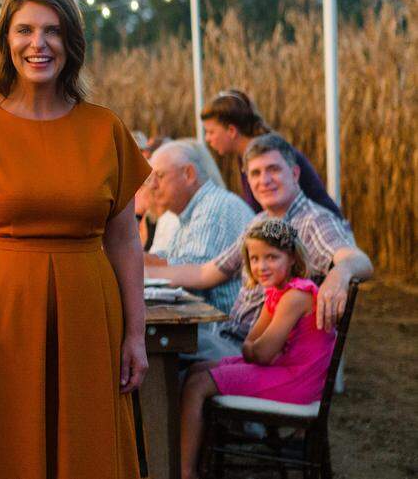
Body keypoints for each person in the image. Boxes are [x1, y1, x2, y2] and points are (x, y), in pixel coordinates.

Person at [0, 0, 151, 477]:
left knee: (84, 446)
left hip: (87, 315)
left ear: (71, 42)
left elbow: (124, 238)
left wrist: (136, 333)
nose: (38, 44)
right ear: (6, 39)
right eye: (24, 30)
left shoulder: (104, 128)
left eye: (53, 31)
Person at [146, 133, 372, 360]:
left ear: (294, 174)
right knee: (161, 344)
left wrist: (339, 275)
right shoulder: (260, 222)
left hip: (262, 356)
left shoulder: (313, 220)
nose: (264, 180)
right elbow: (206, 272)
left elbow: (358, 259)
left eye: (273, 169)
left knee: (161, 347)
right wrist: (142, 273)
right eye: (255, 173)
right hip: (232, 340)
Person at [178, 219, 337, 479]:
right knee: (197, 369)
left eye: (271, 257)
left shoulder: (295, 297)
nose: (261, 266)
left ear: (292, 258)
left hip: (298, 381)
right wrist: (256, 349)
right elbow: (249, 346)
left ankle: (186, 472)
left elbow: (259, 353)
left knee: (197, 385)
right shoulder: (276, 292)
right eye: (254, 258)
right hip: (284, 370)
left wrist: (257, 349)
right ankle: (192, 454)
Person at [144, 139, 254, 317]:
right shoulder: (191, 211)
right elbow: (170, 259)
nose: (152, 186)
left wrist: (138, 265)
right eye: (150, 179)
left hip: (225, 328)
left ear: (188, 174)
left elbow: (190, 270)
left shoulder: (214, 207)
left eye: (160, 176)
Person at [201, 89, 341, 217]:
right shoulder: (248, 155)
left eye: (211, 132)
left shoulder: (266, 155)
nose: (207, 138)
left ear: (231, 131)